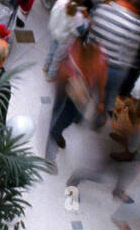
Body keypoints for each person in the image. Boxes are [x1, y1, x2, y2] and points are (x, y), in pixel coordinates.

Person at [89, 0, 140, 115]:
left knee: (87, 88)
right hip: (116, 70)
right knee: (109, 95)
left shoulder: (100, 9)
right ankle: (100, 116)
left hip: (93, 60)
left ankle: (77, 114)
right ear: (135, 2)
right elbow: (138, 49)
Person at [45, 33, 108, 168]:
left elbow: (101, 81)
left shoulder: (100, 60)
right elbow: (62, 63)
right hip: (67, 86)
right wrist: (62, 76)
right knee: (62, 108)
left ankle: (57, 129)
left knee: (71, 112)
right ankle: (55, 131)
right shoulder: (75, 50)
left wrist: (101, 101)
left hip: (81, 91)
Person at [45, 0, 88, 80]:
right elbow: (80, 31)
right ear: (82, 1)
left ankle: (46, 66)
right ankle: (50, 75)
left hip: (54, 31)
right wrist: (86, 22)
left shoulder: (61, 1)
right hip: (65, 40)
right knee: (58, 57)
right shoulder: (78, 16)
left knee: (51, 50)